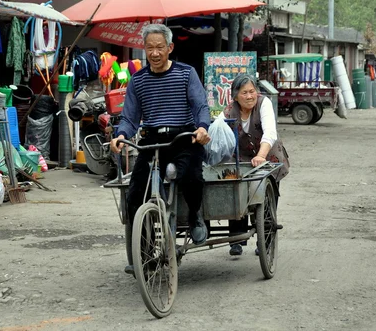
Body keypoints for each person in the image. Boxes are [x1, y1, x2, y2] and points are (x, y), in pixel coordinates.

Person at [110, 24, 211, 274]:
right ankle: (143, 252)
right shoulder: (138, 80)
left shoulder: (186, 74)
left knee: (191, 175)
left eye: (159, 47)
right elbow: (130, 117)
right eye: (149, 48)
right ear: (144, 49)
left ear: (170, 48)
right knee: (134, 195)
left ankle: (196, 216)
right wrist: (121, 134)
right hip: (152, 142)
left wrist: (201, 128)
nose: (154, 53)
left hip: (184, 137)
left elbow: (200, 106)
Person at [223, 75, 290, 256]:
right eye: (244, 93)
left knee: (268, 197)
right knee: (235, 190)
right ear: (235, 96)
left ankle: (266, 240)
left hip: (268, 154)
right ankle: (236, 238)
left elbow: (270, 132)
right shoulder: (229, 111)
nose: (250, 96)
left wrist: (261, 156)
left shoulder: (264, 103)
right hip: (242, 156)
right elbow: (220, 135)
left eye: (252, 91)